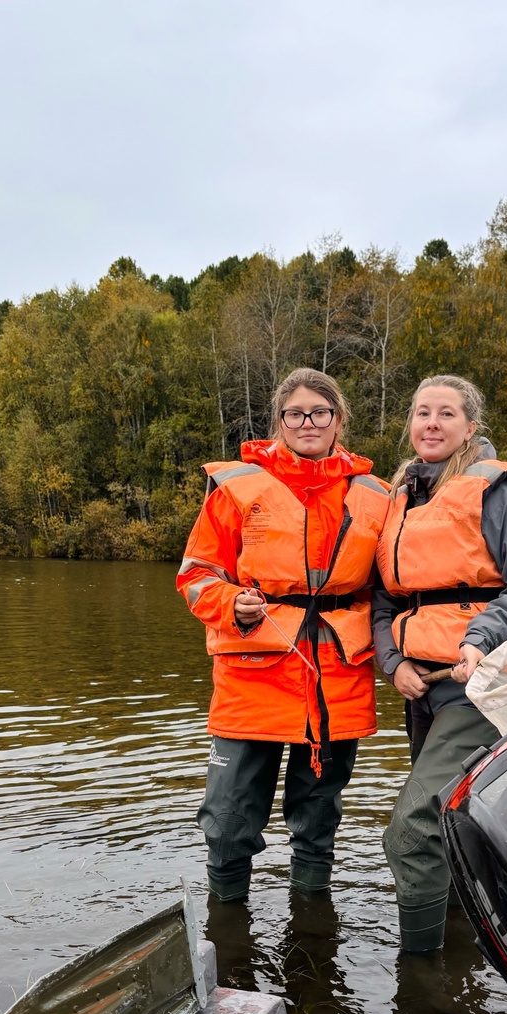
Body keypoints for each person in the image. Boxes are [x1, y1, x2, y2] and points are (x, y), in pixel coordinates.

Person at [177, 368, 390, 902]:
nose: (307, 422)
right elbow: (197, 574)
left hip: (337, 680)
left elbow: (401, 581)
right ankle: (227, 937)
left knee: (318, 823)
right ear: (280, 421)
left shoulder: (376, 496)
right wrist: (235, 605)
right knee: (227, 823)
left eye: (319, 412)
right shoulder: (236, 489)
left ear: (338, 420)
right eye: (295, 413)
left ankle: (312, 930)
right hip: (253, 676)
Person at [372, 374, 507, 952]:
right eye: (422, 412)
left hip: (484, 684)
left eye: (446, 414)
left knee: (410, 830)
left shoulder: (497, 492)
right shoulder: (400, 496)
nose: (431, 423)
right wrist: (394, 663)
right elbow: (385, 598)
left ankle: (421, 975)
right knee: (452, 822)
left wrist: (481, 638)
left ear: (469, 428)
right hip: (425, 686)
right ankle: (464, 948)